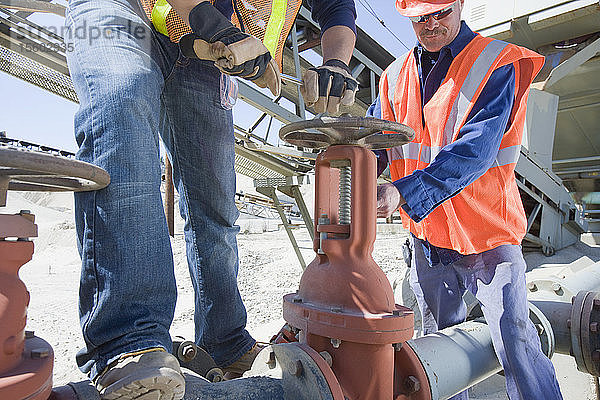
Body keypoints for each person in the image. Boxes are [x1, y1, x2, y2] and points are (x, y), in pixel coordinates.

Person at [64, 0, 358, 398]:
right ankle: (130, 343)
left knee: (215, 201)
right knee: (123, 109)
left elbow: (337, 8)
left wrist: (336, 63)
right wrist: (212, 23)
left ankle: (225, 341)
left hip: (202, 47)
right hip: (128, 10)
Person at [371, 1, 563, 399]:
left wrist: (401, 191)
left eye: (439, 12)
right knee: (439, 351)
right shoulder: (393, 79)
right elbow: (375, 145)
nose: (431, 24)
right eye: (419, 18)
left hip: (489, 238)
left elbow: (475, 151)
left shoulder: (496, 64)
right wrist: (348, 170)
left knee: (515, 341)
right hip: (427, 244)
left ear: (459, 5)